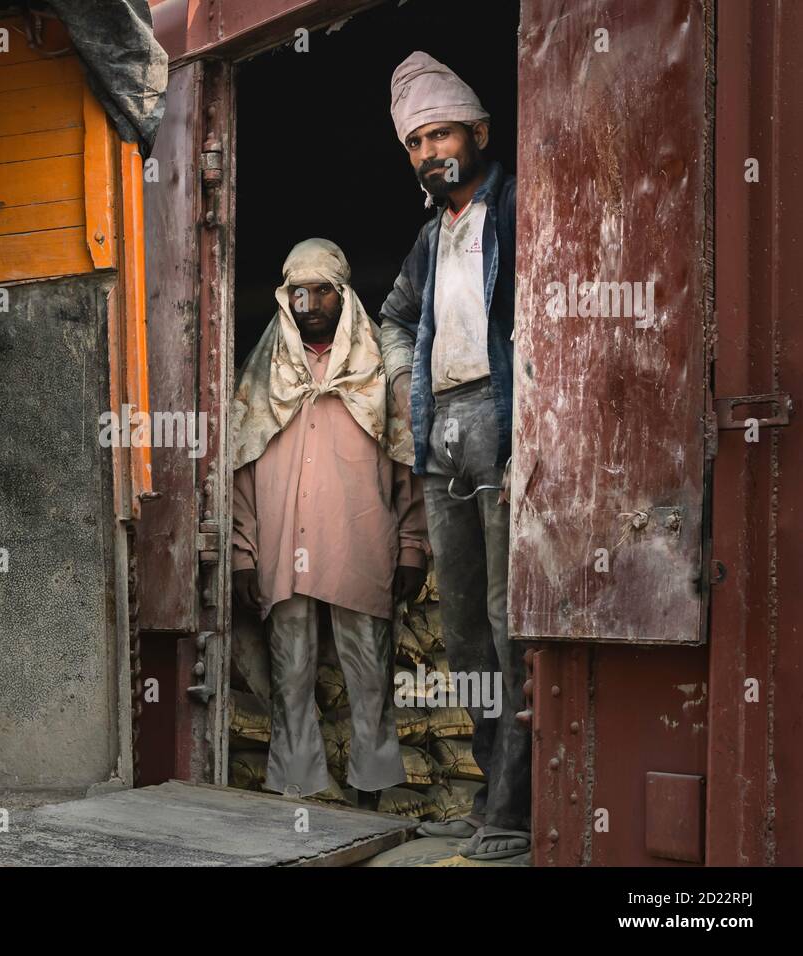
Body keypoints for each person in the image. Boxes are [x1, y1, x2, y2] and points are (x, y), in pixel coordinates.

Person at [377, 51, 530, 859]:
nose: (432, 151)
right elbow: (395, 318)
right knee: (467, 632)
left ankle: (515, 810)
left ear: (478, 132)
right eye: (417, 141)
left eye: (443, 134)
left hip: (506, 425)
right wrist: (411, 389)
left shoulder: (519, 208)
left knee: (511, 625)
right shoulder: (430, 239)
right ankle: (486, 795)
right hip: (445, 434)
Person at [231, 238, 427, 807]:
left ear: (343, 297)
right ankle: (300, 787)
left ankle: (374, 788)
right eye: (298, 291)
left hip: (359, 544)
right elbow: (242, 470)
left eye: (322, 291)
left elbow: (403, 465)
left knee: (370, 671)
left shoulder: (374, 376)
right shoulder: (265, 380)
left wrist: (412, 546)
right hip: (281, 549)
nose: (309, 302)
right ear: (284, 297)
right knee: (290, 673)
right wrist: (243, 552)